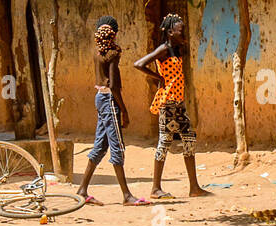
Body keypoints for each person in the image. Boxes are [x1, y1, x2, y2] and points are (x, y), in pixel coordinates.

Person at [134, 14, 210, 199]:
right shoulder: (164, 49)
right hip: (168, 103)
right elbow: (139, 64)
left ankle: (194, 187)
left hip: (178, 102)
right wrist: (159, 78)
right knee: (165, 142)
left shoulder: (176, 49)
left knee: (189, 139)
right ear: (170, 32)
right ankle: (155, 188)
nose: (182, 32)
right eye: (179, 29)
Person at [76, 17, 149, 206]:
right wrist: (124, 111)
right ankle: (126, 195)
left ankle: (82, 190)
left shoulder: (97, 52)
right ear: (115, 34)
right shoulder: (113, 54)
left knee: (100, 146)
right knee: (117, 147)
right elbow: (114, 86)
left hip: (100, 99)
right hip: (109, 100)